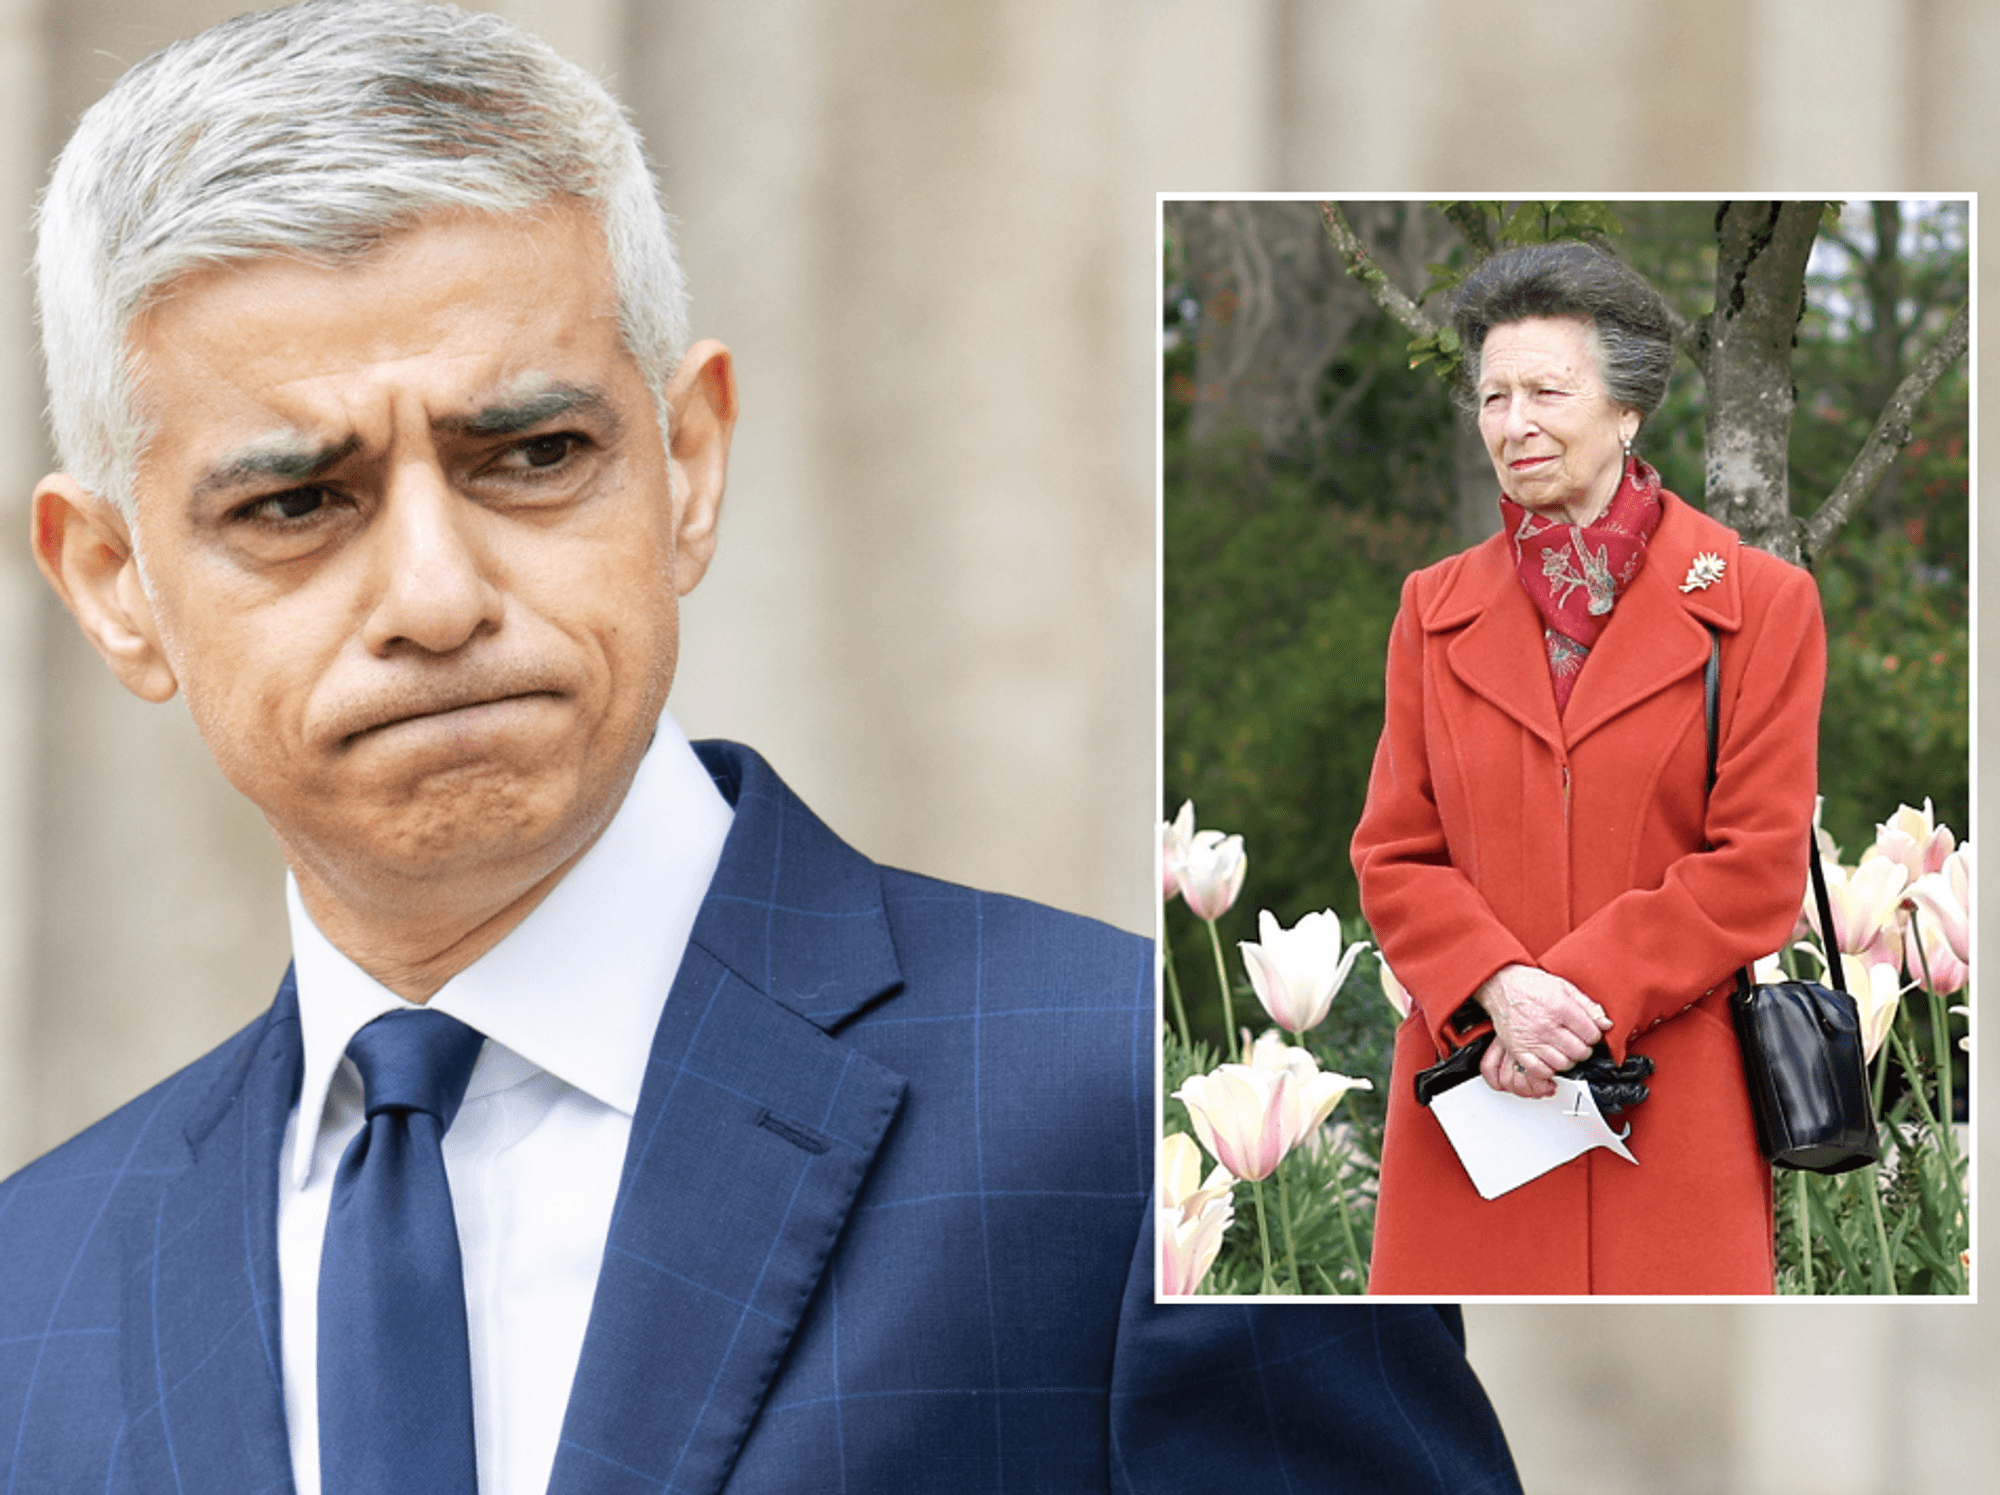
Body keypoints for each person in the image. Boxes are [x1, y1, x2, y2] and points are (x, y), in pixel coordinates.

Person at [0, 3, 1522, 1489]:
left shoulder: (1168, 1121)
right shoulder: (32, 1280)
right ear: (115, 585)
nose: (436, 596)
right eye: (294, 502)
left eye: (530, 454)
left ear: (688, 464)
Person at [1351, 242, 1826, 1295]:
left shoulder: (1760, 606)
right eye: (1493, 397)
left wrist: (1568, 1000)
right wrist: (1495, 989)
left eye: (1546, 393)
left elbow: (1756, 868)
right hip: (1473, 1095)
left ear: (1627, 410)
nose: (1513, 423)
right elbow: (1393, 851)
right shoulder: (1431, 607)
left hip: (1669, 1104)